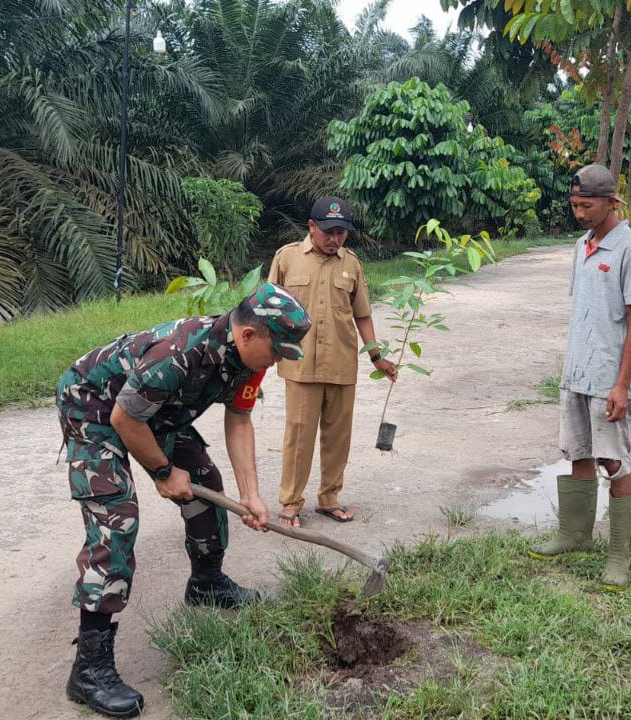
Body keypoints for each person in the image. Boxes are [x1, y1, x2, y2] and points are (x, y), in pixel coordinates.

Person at [55, 283, 310, 718]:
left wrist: (250, 494)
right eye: (276, 351)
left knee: (206, 487)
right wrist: (162, 471)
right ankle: (89, 668)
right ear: (249, 334)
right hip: (94, 407)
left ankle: (206, 583)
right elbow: (124, 419)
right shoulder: (179, 353)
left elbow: (240, 419)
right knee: (117, 520)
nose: (278, 361)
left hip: (152, 412)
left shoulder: (249, 359)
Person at [528, 164, 631, 592]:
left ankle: (619, 554)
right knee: (578, 454)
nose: (579, 213)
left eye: (586, 206)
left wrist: (621, 385)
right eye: (574, 205)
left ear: (610, 202)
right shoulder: (581, 245)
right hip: (575, 372)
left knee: (614, 462)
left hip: (607, 379)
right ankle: (575, 535)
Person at [266, 196, 398, 527]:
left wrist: (376, 357)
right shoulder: (287, 258)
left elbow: (362, 314)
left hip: (341, 363)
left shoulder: (351, 264)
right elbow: (269, 309)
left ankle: (329, 498)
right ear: (311, 227)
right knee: (299, 437)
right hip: (301, 365)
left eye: (341, 232)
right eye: (329, 231)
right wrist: (265, 353)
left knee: (338, 437)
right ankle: (291, 503)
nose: (335, 239)